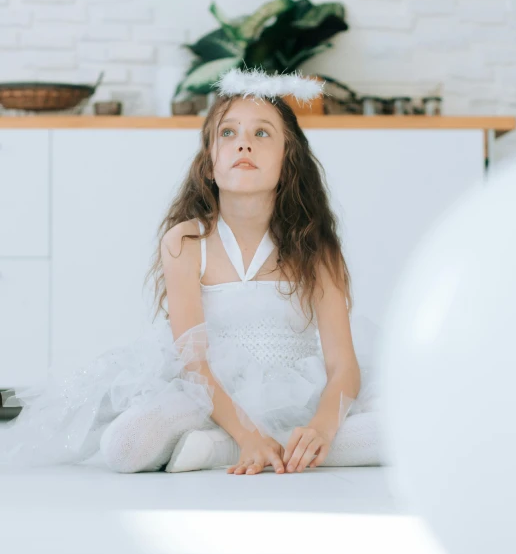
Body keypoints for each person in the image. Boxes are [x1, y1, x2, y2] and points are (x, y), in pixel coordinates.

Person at [0, 68, 382, 474]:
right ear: (210, 165)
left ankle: (226, 451)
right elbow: (193, 364)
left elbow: (343, 366)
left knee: (392, 431)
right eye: (229, 133)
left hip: (298, 395)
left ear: (288, 162)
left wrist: (322, 428)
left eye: (262, 134)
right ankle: (237, 443)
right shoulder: (186, 242)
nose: (244, 146)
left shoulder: (317, 248)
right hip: (205, 394)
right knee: (126, 446)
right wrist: (247, 431)